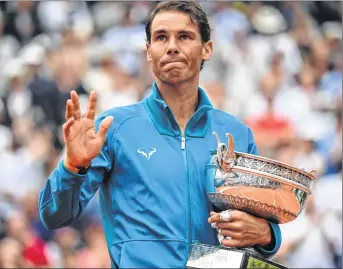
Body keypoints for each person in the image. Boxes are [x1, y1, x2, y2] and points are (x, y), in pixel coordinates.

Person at [38, 1, 281, 267]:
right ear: (148, 51)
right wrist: (72, 167)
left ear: (207, 49)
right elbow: (54, 216)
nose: (172, 46)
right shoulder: (114, 127)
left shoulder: (236, 133)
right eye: (161, 37)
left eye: (185, 36)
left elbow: (260, 229)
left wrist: (268, 235)